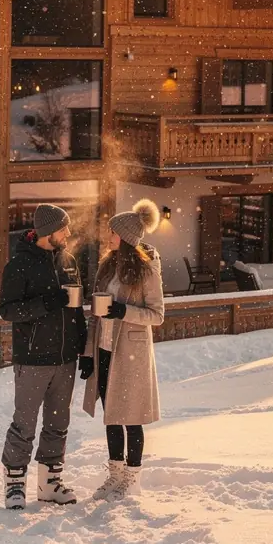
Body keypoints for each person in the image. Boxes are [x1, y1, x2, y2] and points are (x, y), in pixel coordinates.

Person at [0, 203, 88, 509]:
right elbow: (8, 310)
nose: (68, 233)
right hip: (33, 358)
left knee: (57, 422)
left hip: (65, 358)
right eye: (63, 228)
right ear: (48, 231)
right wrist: (48, 302)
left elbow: (77, 312)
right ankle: (14, 485)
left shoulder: (70, 262)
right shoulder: (19, 266)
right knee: (24, 423)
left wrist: (84, 350)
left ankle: (50, 484)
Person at [79, 199, 165, 499]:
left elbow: (157, 315)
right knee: (111, 415)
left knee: (131, 417)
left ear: (126, 237)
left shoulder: (147, 270)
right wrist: (88, 355)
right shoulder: (106, 267)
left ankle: (132, 477)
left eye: (113, 232)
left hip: (131, 355)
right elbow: (95, 314)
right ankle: (115, 474)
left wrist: (123, 311)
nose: (108, 236)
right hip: (104, 351)